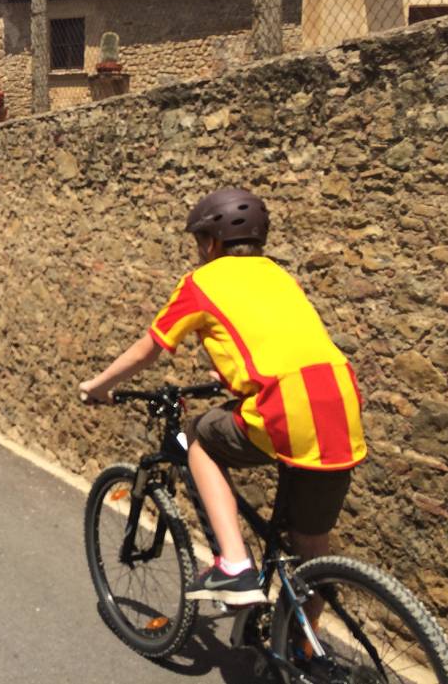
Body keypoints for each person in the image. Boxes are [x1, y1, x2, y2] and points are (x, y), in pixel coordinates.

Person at [79, 188, 366, 607]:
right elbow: (278, 343)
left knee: (197, 436)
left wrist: (99, 385)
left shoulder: (201, 282)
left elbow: (149, 348)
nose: (198, 253)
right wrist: (233, 376)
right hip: (340, 403)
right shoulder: (279, 275)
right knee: (309, 545)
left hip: (284, 408)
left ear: (212, 243)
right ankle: (307, 650)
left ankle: (234, 564)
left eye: (199, 243)